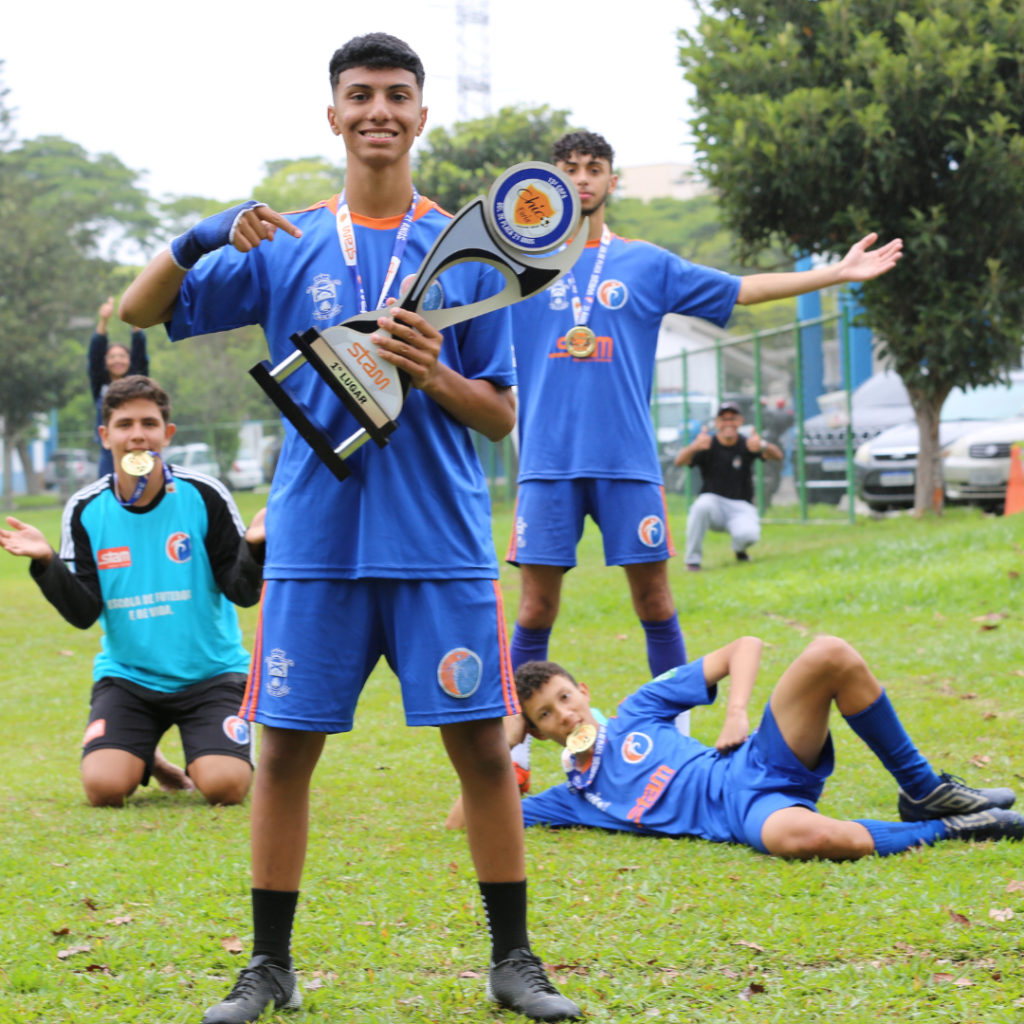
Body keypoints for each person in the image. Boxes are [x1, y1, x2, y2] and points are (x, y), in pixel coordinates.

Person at [118, 33, 579, 1024]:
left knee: (480, 753)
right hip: (317, 545)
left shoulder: (471, 249)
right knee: (282, 754)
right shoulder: (283, 242)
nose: (378, 110)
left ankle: (514, 961)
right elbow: (140, 308)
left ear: (421, 115)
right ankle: (268, 967)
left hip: (438, 545)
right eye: (359, 95)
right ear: (332, 115)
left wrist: (434, 373)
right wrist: (202, 232)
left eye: (397, 95)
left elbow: (501, 413)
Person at [504, 130, 903, 700]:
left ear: (611, 182)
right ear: (552, 182)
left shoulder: (644, 263)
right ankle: (512, 751)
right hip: (547, 464)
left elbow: (744, 289)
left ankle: (673, 739)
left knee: (655, 602)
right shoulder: (517, 266)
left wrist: (835, 274)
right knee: (536, 608)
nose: (582, 178)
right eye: (569, 168)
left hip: (628, 463)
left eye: (594, 168)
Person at [0, 376, 266, 808]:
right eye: (124, 424)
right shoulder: (86, 508)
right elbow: (84, 612)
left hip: (212, 676)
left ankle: (197, 749)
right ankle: (148, 755)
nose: (138, 434)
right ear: (106, 436)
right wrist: (46, 561)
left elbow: (241, 592)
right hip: (130, 680)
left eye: (149, 422)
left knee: (225, 787)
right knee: (103, 789)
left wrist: (255, 548)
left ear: (168, 433)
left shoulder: (205, 495)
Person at [510, 641, 1022, 856]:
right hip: (750, 812)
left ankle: (924, 791)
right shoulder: (574, 797)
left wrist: (735, 712)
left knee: (830, 654)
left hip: (754, 760)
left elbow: (745, 647)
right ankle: (950, 828)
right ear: (538, 732)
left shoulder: (637, 710)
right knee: (794, 838)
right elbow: (468, 818)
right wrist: (506, 739)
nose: (566, 714)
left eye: (565, 697)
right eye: (545, 715)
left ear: (584, 692)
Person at [674, 401, 783, 570]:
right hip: (714, 505)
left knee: (750, 535)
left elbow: (778, 456)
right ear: (716, 423)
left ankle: (740, 550)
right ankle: (692, 561)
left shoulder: (748, 444)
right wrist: (694, 446)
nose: (728, 423)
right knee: (701, 506)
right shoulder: (706, 444)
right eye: (723, 419)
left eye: (732, 418)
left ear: (740, 421)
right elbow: (679, 461)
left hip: (741, 506)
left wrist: (763, 445)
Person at [89, 296, 149, 477]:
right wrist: (103, 320)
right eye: (112, 356)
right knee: (109, 493)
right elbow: (95, 353)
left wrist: (134, 320)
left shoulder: (137, 380)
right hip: (109, 451)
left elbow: (140, 350)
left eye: (122, 356)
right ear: (105, 362)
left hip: (137, 446)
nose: (117, 360)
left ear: (129, 361)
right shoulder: (100, 383)